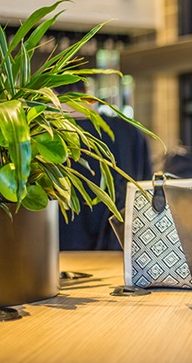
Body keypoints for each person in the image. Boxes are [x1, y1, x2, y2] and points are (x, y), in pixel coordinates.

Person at [56, 80, 153, 250]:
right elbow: (145, 195)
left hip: (57, 260)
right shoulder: (129, 132)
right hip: (119, 256)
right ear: (86, 91)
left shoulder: (41, 137)